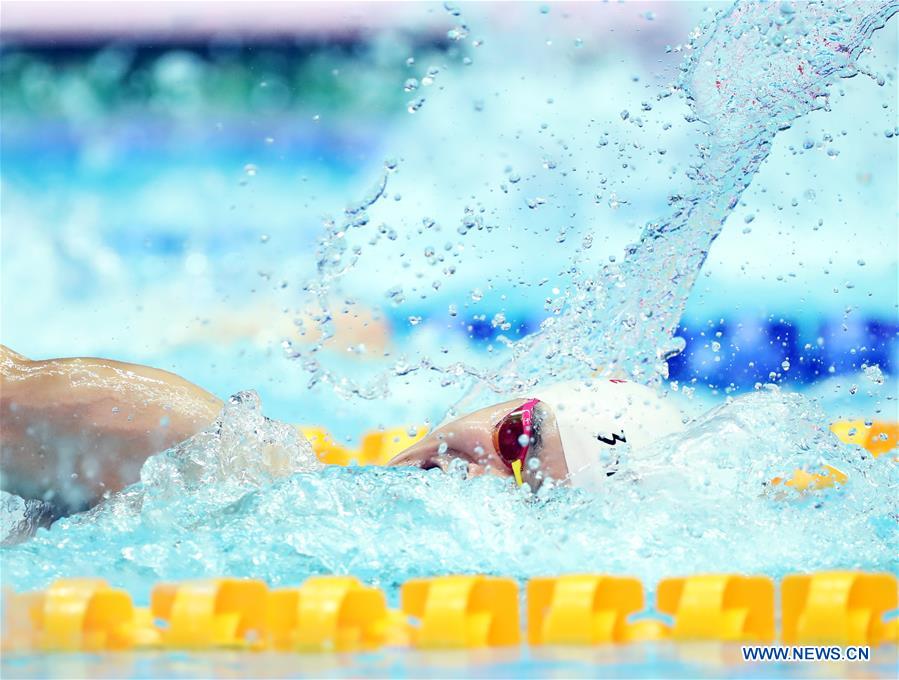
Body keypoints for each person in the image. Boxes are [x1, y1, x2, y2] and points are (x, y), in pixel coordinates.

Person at [1, 345, 684, 518]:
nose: (477, 471)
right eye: (513, 439)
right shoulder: (204, 452)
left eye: (525, 491)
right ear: (503, 402)